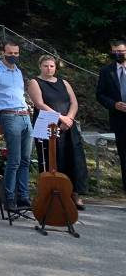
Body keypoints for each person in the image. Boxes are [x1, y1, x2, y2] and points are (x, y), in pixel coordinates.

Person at [27, 55, 88, 209]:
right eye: (46, 66)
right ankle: (51, 193)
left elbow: (73, 102)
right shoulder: (35, 82)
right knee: (51, 159)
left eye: (52, 66)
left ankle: (75, 193)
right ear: (40, 66)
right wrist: (60, 117)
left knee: (74, 157)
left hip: (68, 124)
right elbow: (39, 104)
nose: (49, 69)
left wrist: (69, 118)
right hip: (48, 124)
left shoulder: (64, 82)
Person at [0, 39, 32, 211]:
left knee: (26, 160)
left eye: (16, 53)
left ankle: (23, 196)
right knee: (14, 160)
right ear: (3, 53)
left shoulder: (18, 72)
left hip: (25, 116)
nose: (13, 56)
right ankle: (9, 198)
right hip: (9, 117)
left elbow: (19, 95)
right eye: (10, 53)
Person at [96, 38, 126, 193]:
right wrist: (114, 104)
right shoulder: (107, 71)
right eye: (115, 52)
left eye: (121, 51)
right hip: (120, 120)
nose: (118, 54)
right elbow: (100, 95)